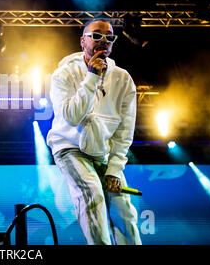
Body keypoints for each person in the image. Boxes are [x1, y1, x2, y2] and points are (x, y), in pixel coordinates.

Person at [47, 18, 142, 245]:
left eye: (109, 37)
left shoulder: (123, 79)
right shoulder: (63, 75)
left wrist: (114, 169)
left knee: (124, 212)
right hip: (70, 147)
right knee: (93, 194)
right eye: (97, 36)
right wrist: (91, 77)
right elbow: (71, 116)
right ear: (83, 41)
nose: (104, 41)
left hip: (103, 152)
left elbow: (124, 131)